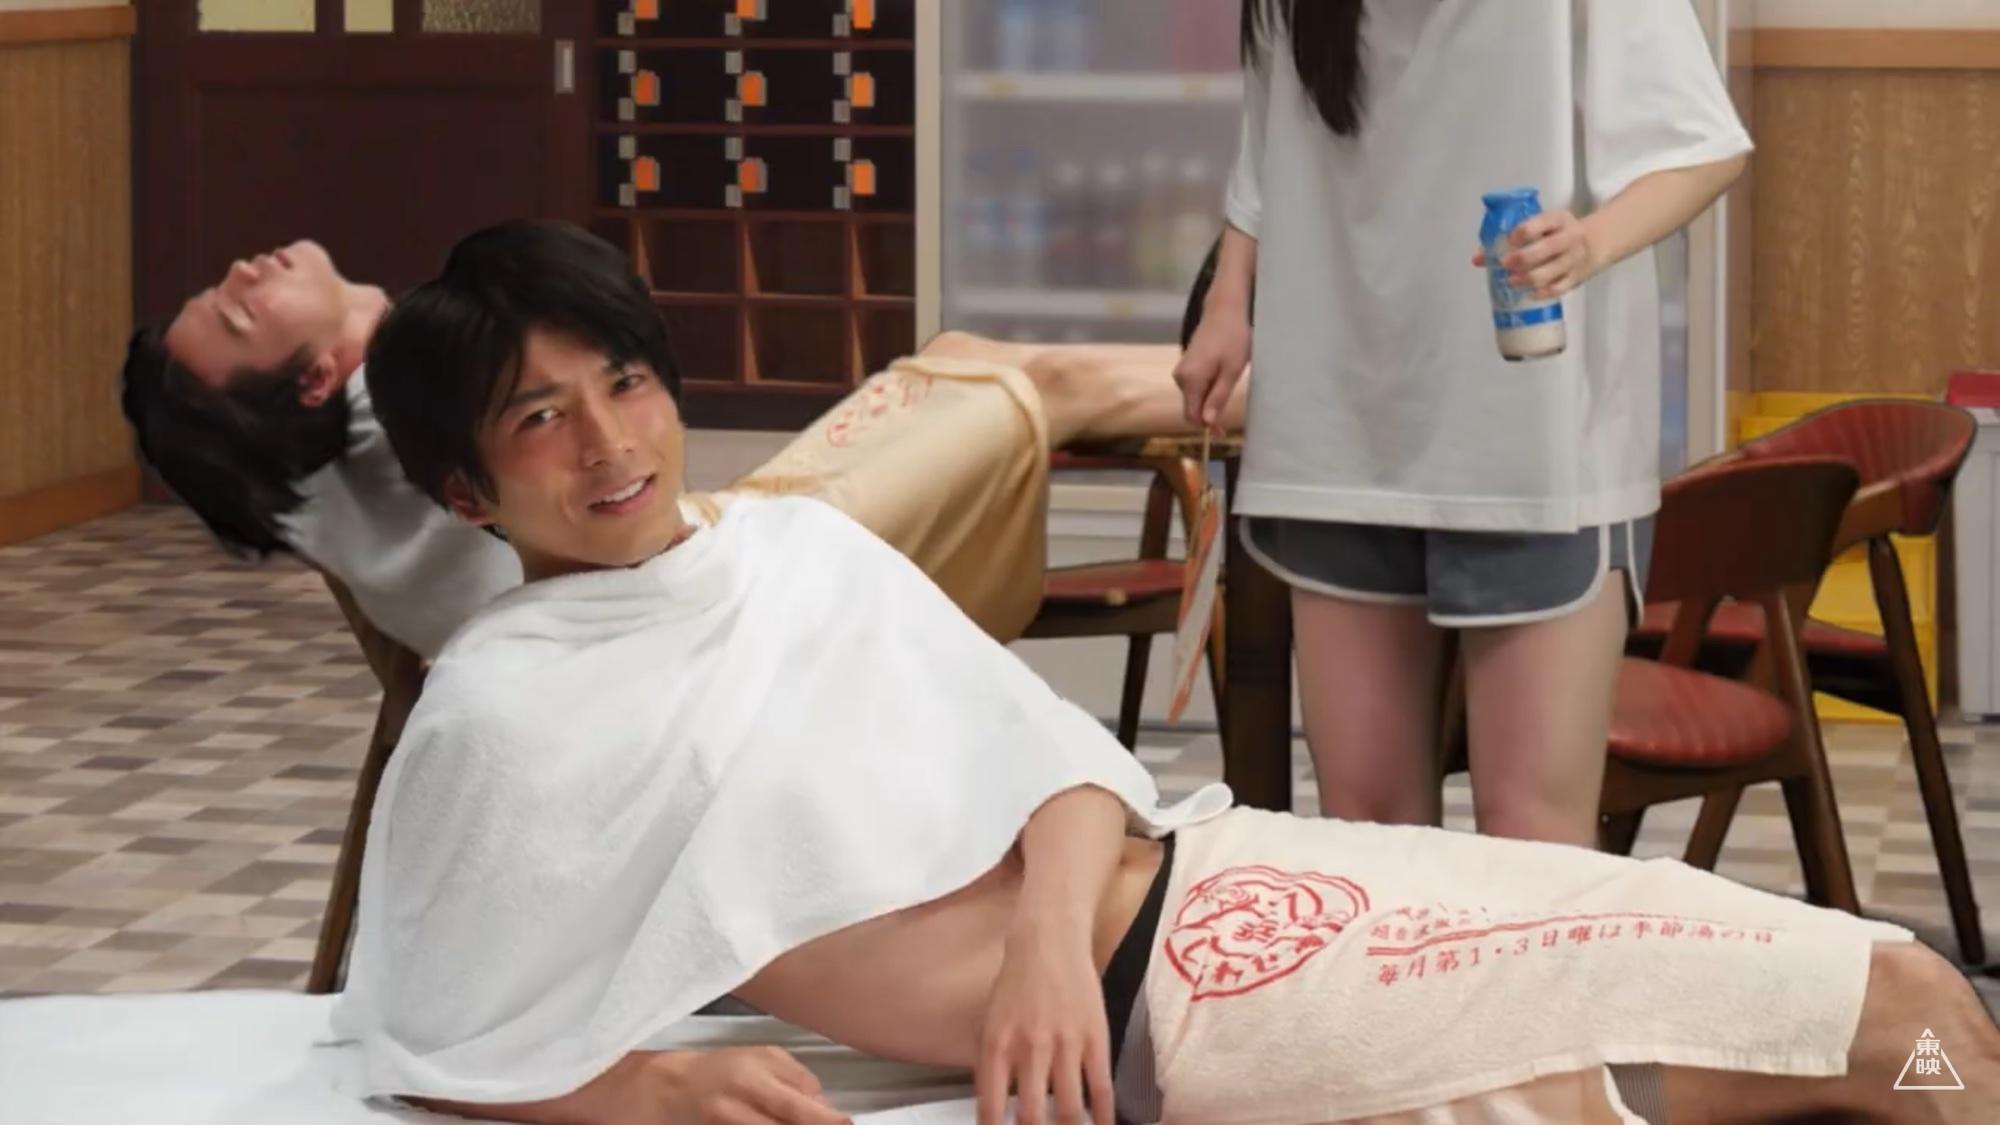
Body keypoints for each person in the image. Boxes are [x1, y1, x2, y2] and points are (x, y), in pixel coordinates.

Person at [331, 221, 1996, 1125]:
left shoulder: (788, 553)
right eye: (540, 416)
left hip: (1213, 879)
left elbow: (1056, 765)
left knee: (1902, 1020)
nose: (610, 441)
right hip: (1192, 1003)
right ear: (465, 488)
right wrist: (648, 1087)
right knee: (1894, 1028)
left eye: (624, 381)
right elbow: (428, 1013)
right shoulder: (506, 703)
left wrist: (1044, 945)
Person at [1173, 0, 1754, 845]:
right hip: (1337, 420)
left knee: (1531, 835)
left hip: (1534, 441)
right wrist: (1229, 300)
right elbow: (1267, 147)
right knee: (1369, 826)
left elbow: (1702, 147)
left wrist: (1591, 242)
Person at [120, 238, 1244, 654]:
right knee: (1034, 385)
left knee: (961, 361)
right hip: (726, 590)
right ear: (315, 381)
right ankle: (1301, 401)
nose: (243, 272)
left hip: (693, 574)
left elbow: (214, 445)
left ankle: (1257, 382)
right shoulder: (428, 405)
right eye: (236, 314)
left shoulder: (313, 477)